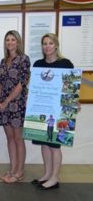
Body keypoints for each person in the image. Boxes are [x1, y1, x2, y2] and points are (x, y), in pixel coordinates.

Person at [31, 33, 74, 190]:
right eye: (44, 43)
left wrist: (74, 103)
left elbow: (70, 87)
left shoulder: (66, 64)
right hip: (43, 109)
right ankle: (47, 174)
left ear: (56, 45)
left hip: (61, 111)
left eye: (50, 43)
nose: (47, 46)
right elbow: (35, 88)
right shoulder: (38, 64)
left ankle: (55, 178)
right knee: (44, 143)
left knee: (55, 145)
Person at [0, 30, 30, 183]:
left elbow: (21, 84)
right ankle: (12, 168)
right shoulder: (4, 61)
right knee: (9, 138)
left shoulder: (24, 59)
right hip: (3, 105)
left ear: (18, 42)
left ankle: (19, 172)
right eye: (7, 40)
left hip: (16, 104)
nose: (10, 42)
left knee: (18, 138)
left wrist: (6, 101)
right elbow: (0, 83)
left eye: (13, 39)